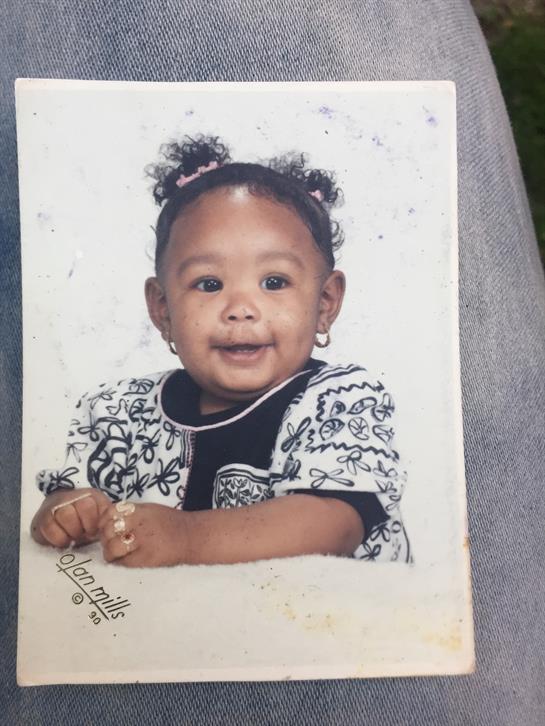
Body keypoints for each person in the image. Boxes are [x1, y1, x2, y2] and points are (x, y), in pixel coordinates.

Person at [30, 135, 411, 567]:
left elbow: (333, 525)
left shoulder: (341, 400)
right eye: (209, 284)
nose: (240, 309)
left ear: (324, 303)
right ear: (163, 309)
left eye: (274, 282)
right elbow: (68, 498)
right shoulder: (120, 412)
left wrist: (186, 537)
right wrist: (66, 512)